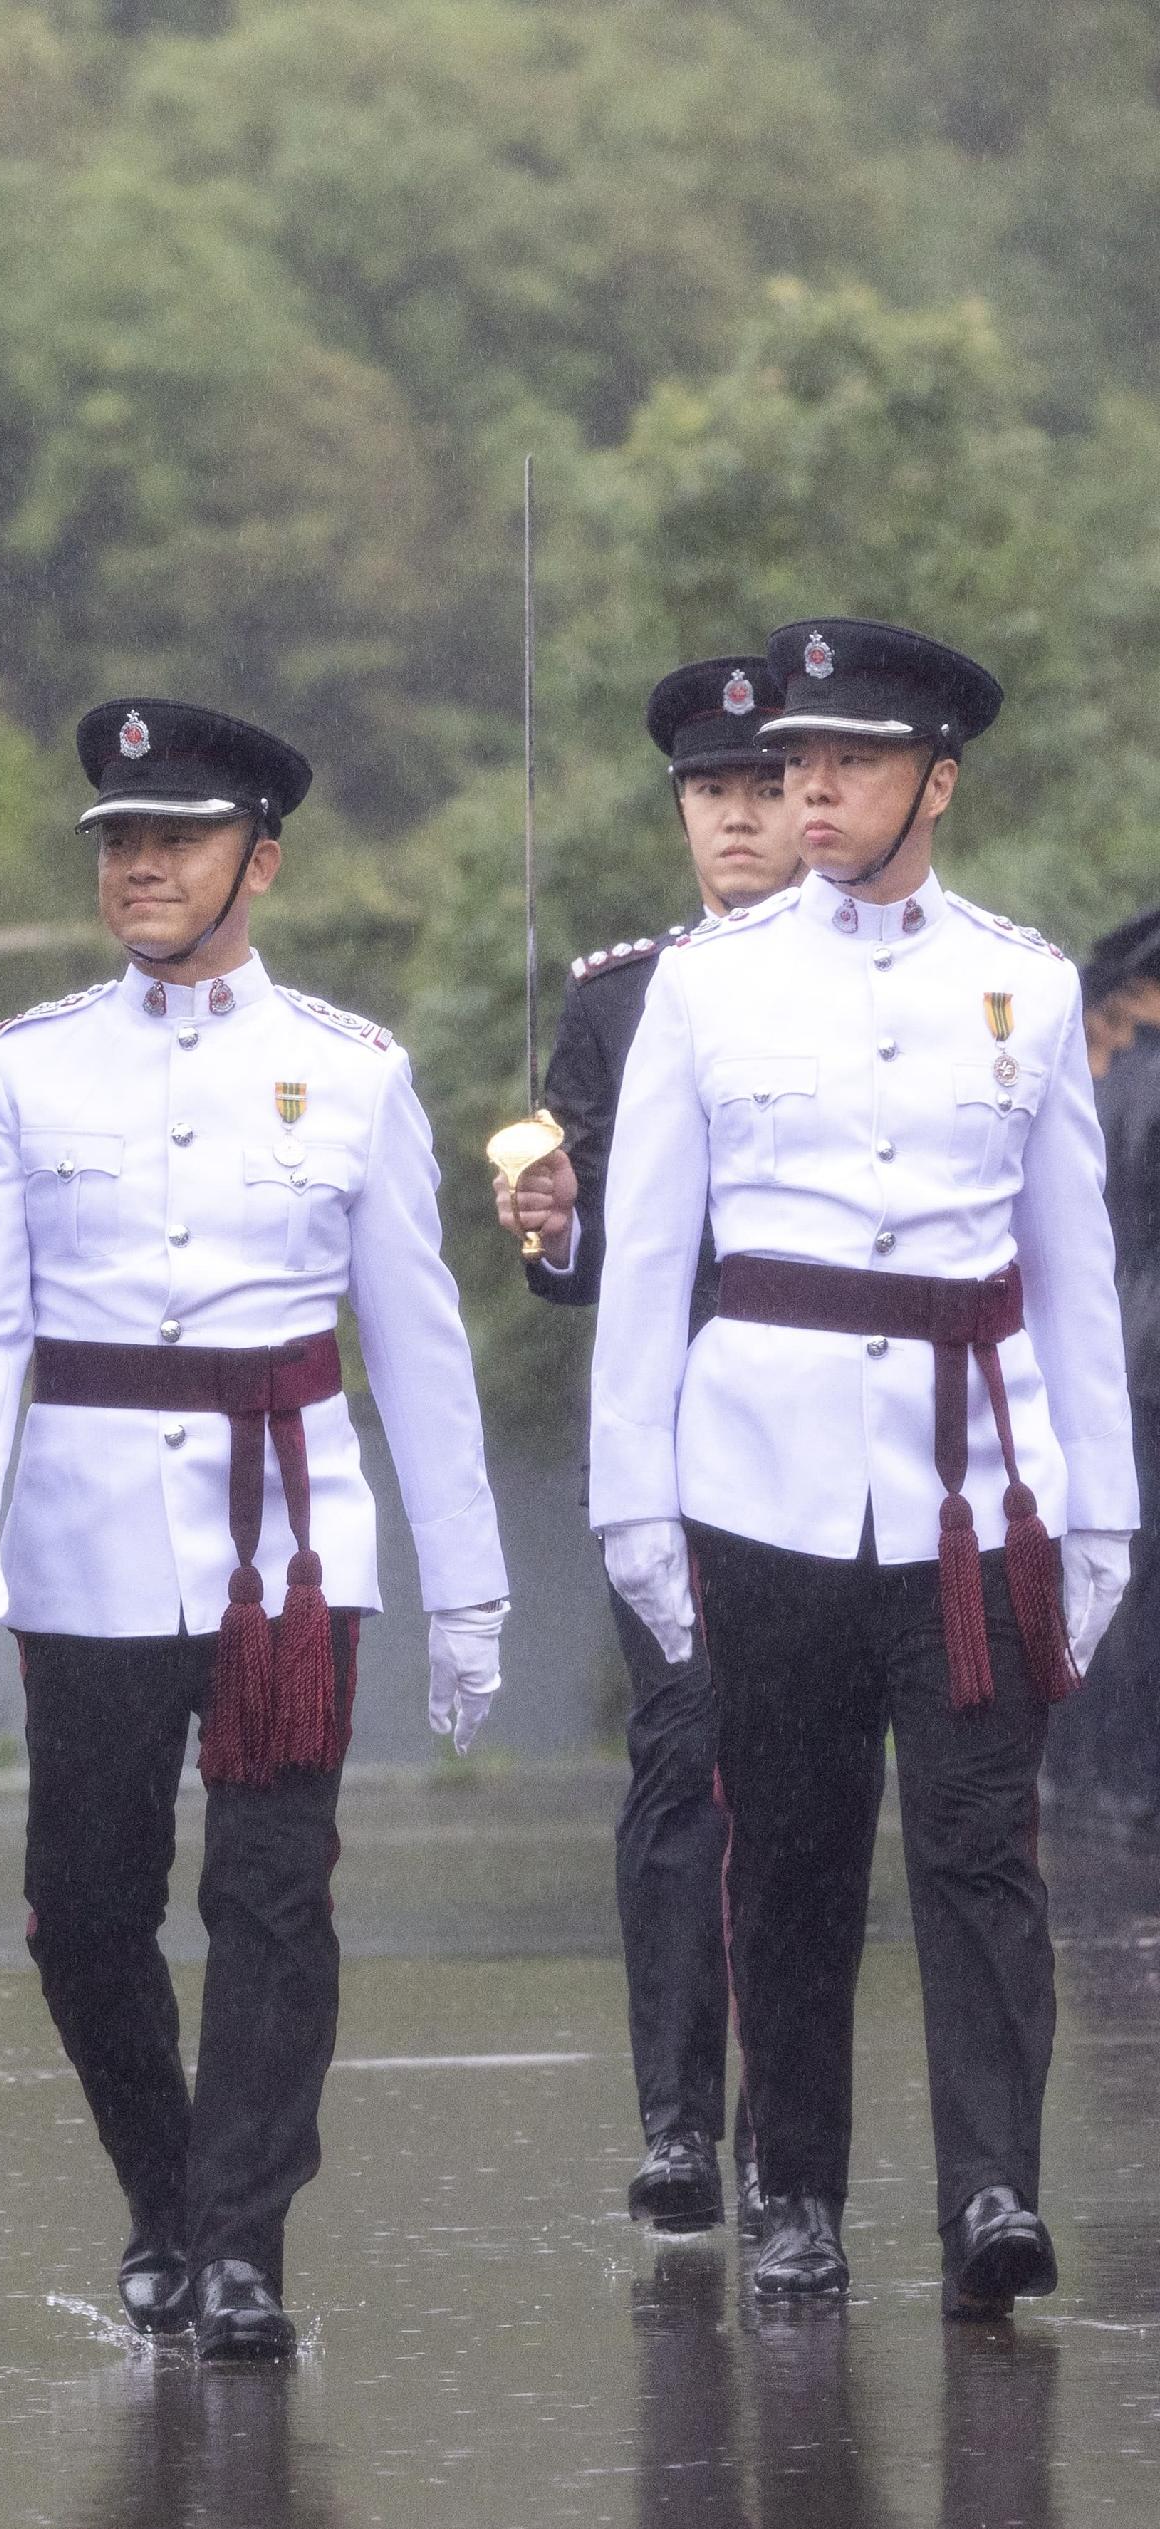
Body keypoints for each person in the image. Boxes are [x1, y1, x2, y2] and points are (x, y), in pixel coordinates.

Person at [0, 700, 508, 2365]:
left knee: (272, 1900)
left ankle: (241, 2243)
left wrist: (470, 1590)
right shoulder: (26, 1067)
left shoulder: (355, 1068)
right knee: (86, 1907)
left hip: (287, 1543)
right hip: (88, 1536)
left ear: (263, 859)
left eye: (172, 838)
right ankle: (165, 2194)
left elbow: (420, 1341)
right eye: (118, 839)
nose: (140, 866)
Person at [591, 619, 1133, 2320]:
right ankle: (796, 2192)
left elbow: (1072, 1274)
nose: (809, 785)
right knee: (800, 1852)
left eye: (853, 759)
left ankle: (992, 2191)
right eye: (797, 759)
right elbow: (646, 1259)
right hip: (767, 1481)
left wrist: (1099, 1507)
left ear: (938, 780)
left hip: (975, 1479)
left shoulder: (1029, 985)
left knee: (980, 1851)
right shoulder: (706, 982)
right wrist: (634, 1505)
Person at [489, 657, 797, 2234]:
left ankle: (793, 2136)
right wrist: (552, 1226)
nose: (736, 820)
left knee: (811, 1792)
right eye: (709, 793)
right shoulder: (621, 996)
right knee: (682, 1763)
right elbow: (588, 1249)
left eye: (761, 788)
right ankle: (680, 2119)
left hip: (836, 1439)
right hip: (680, 1448)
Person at [1043, 907, 1160, 1838]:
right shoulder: (1143, 1083)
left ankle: (1094, 1768)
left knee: (1109, 1567)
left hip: (1112, 1343)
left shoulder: (1106, 1084)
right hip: (1144, 1342)